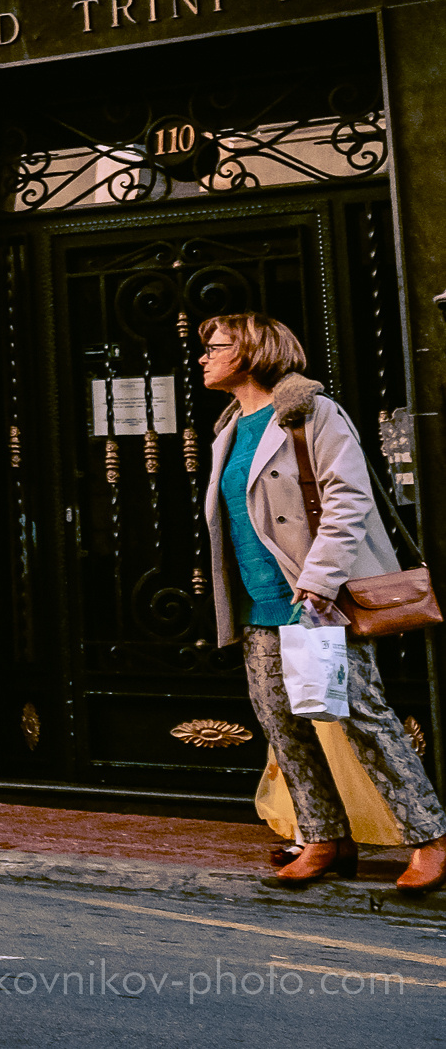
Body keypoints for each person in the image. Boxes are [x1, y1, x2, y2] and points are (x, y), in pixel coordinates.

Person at [199, 312, 446, 894]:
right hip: (261, 605)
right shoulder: (229, 427)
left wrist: (318, 583)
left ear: (252, 352)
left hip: (314, 600)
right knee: (284, 726)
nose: (203, 357)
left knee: (362, 719)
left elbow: (348, 498)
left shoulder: (311, 414)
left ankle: (431, 839)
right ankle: (323, 839)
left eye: (216, 346)